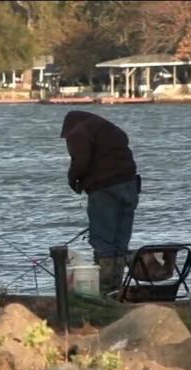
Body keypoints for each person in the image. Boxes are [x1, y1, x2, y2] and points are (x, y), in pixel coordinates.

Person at [60, 110, 141, 294]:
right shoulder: (112, 129)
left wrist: (73, 180)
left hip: (104, 189)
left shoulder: (78, 132)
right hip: (130, 185)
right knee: (120, 241)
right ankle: (116, 288)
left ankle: (104, 290)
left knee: (103, 241)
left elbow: (80, 162)